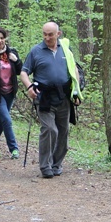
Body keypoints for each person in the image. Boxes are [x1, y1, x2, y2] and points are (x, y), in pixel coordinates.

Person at [20, 22, 80, 178]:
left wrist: (76, 93)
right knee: (49, 129)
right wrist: (29, 87)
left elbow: (74, 70)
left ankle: (56, 163)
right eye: (44, 34)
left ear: (58, 34)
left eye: (50, 34)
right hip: (44, 97)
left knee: (63, 132)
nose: (47, 37)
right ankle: (45, 166)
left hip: (64, 97)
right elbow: (24, 72)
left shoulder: (66, 50)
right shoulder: (36, 51)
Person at [0, 27, 22, 159]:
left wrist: (16, 61)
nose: (0, 41)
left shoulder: (12, 52)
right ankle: (14, 149)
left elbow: (20, 71)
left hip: (10, 92)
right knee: (6, 119)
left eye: (2, 38)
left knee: (2, 121)